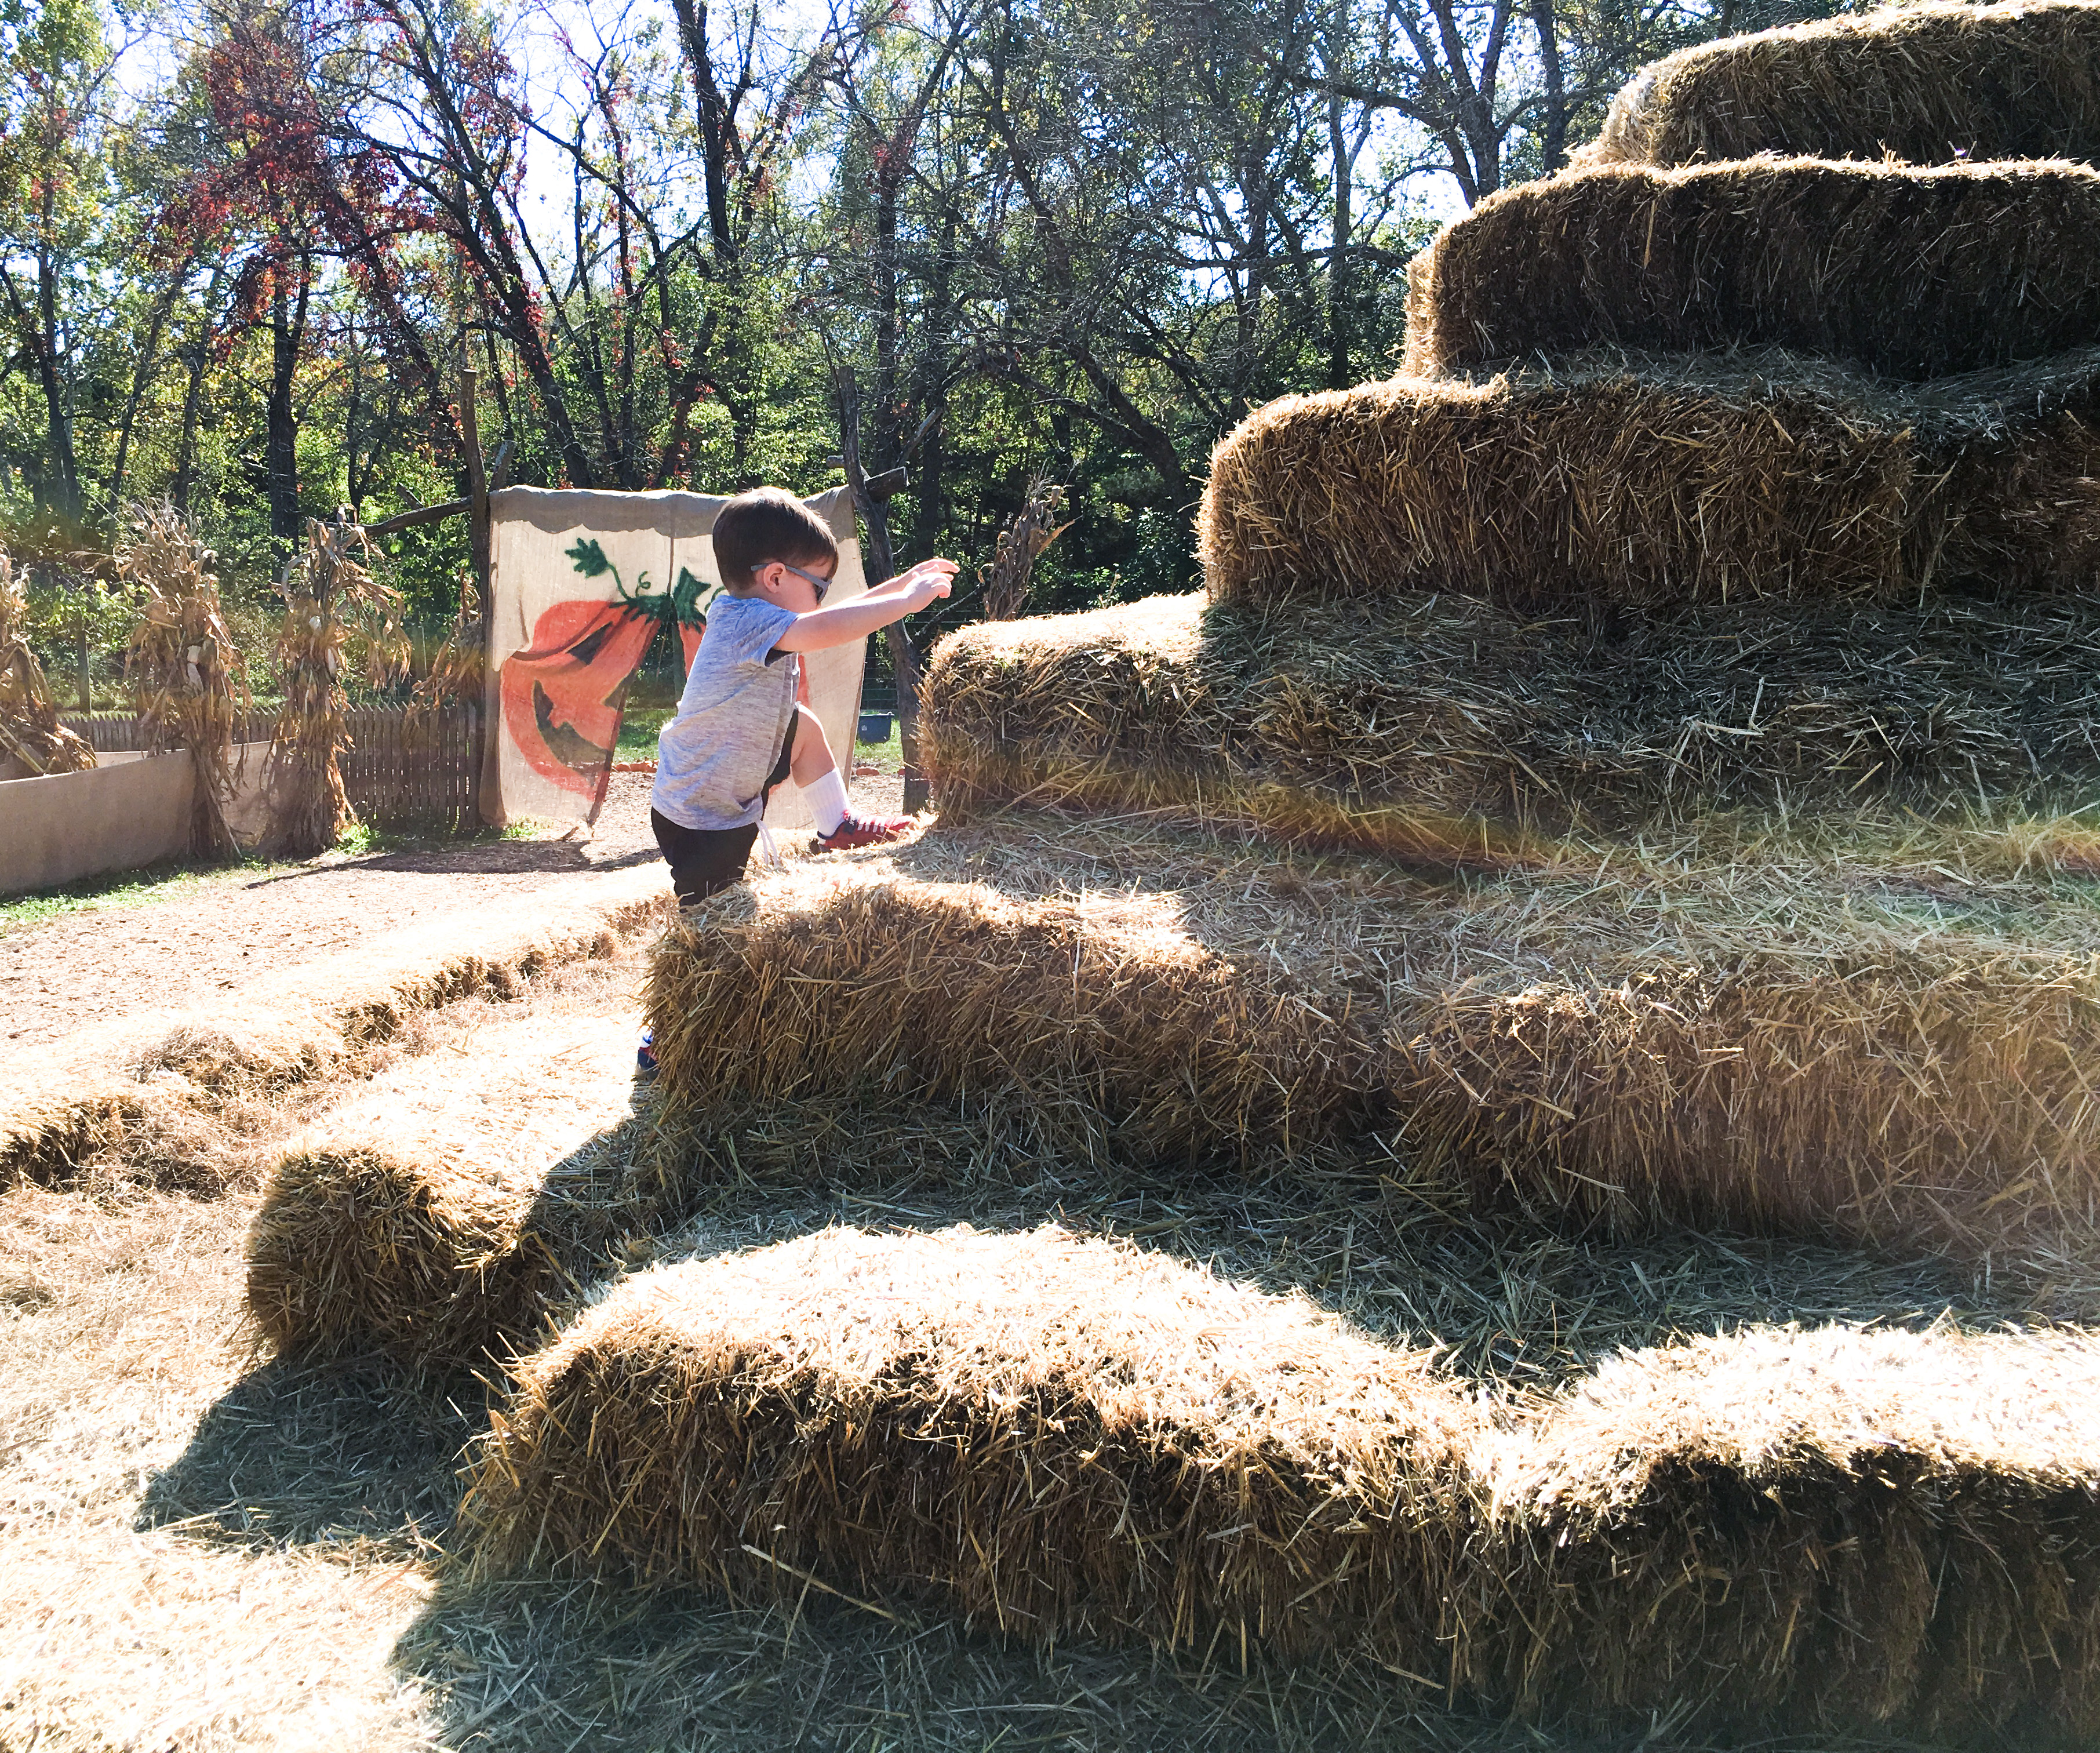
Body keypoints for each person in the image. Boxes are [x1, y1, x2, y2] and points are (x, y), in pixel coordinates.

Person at [648, 485, 956, 909]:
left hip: (729, 778)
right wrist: (905, 602)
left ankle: (838, 825)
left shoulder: (753, 614)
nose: (821, 600)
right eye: (820, 587)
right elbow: (825, 629)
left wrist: (897, 586)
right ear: (775, 578)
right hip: (701, 813)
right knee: (714, 915)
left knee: (801, 724)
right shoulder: (746, 620)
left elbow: (832, 617)